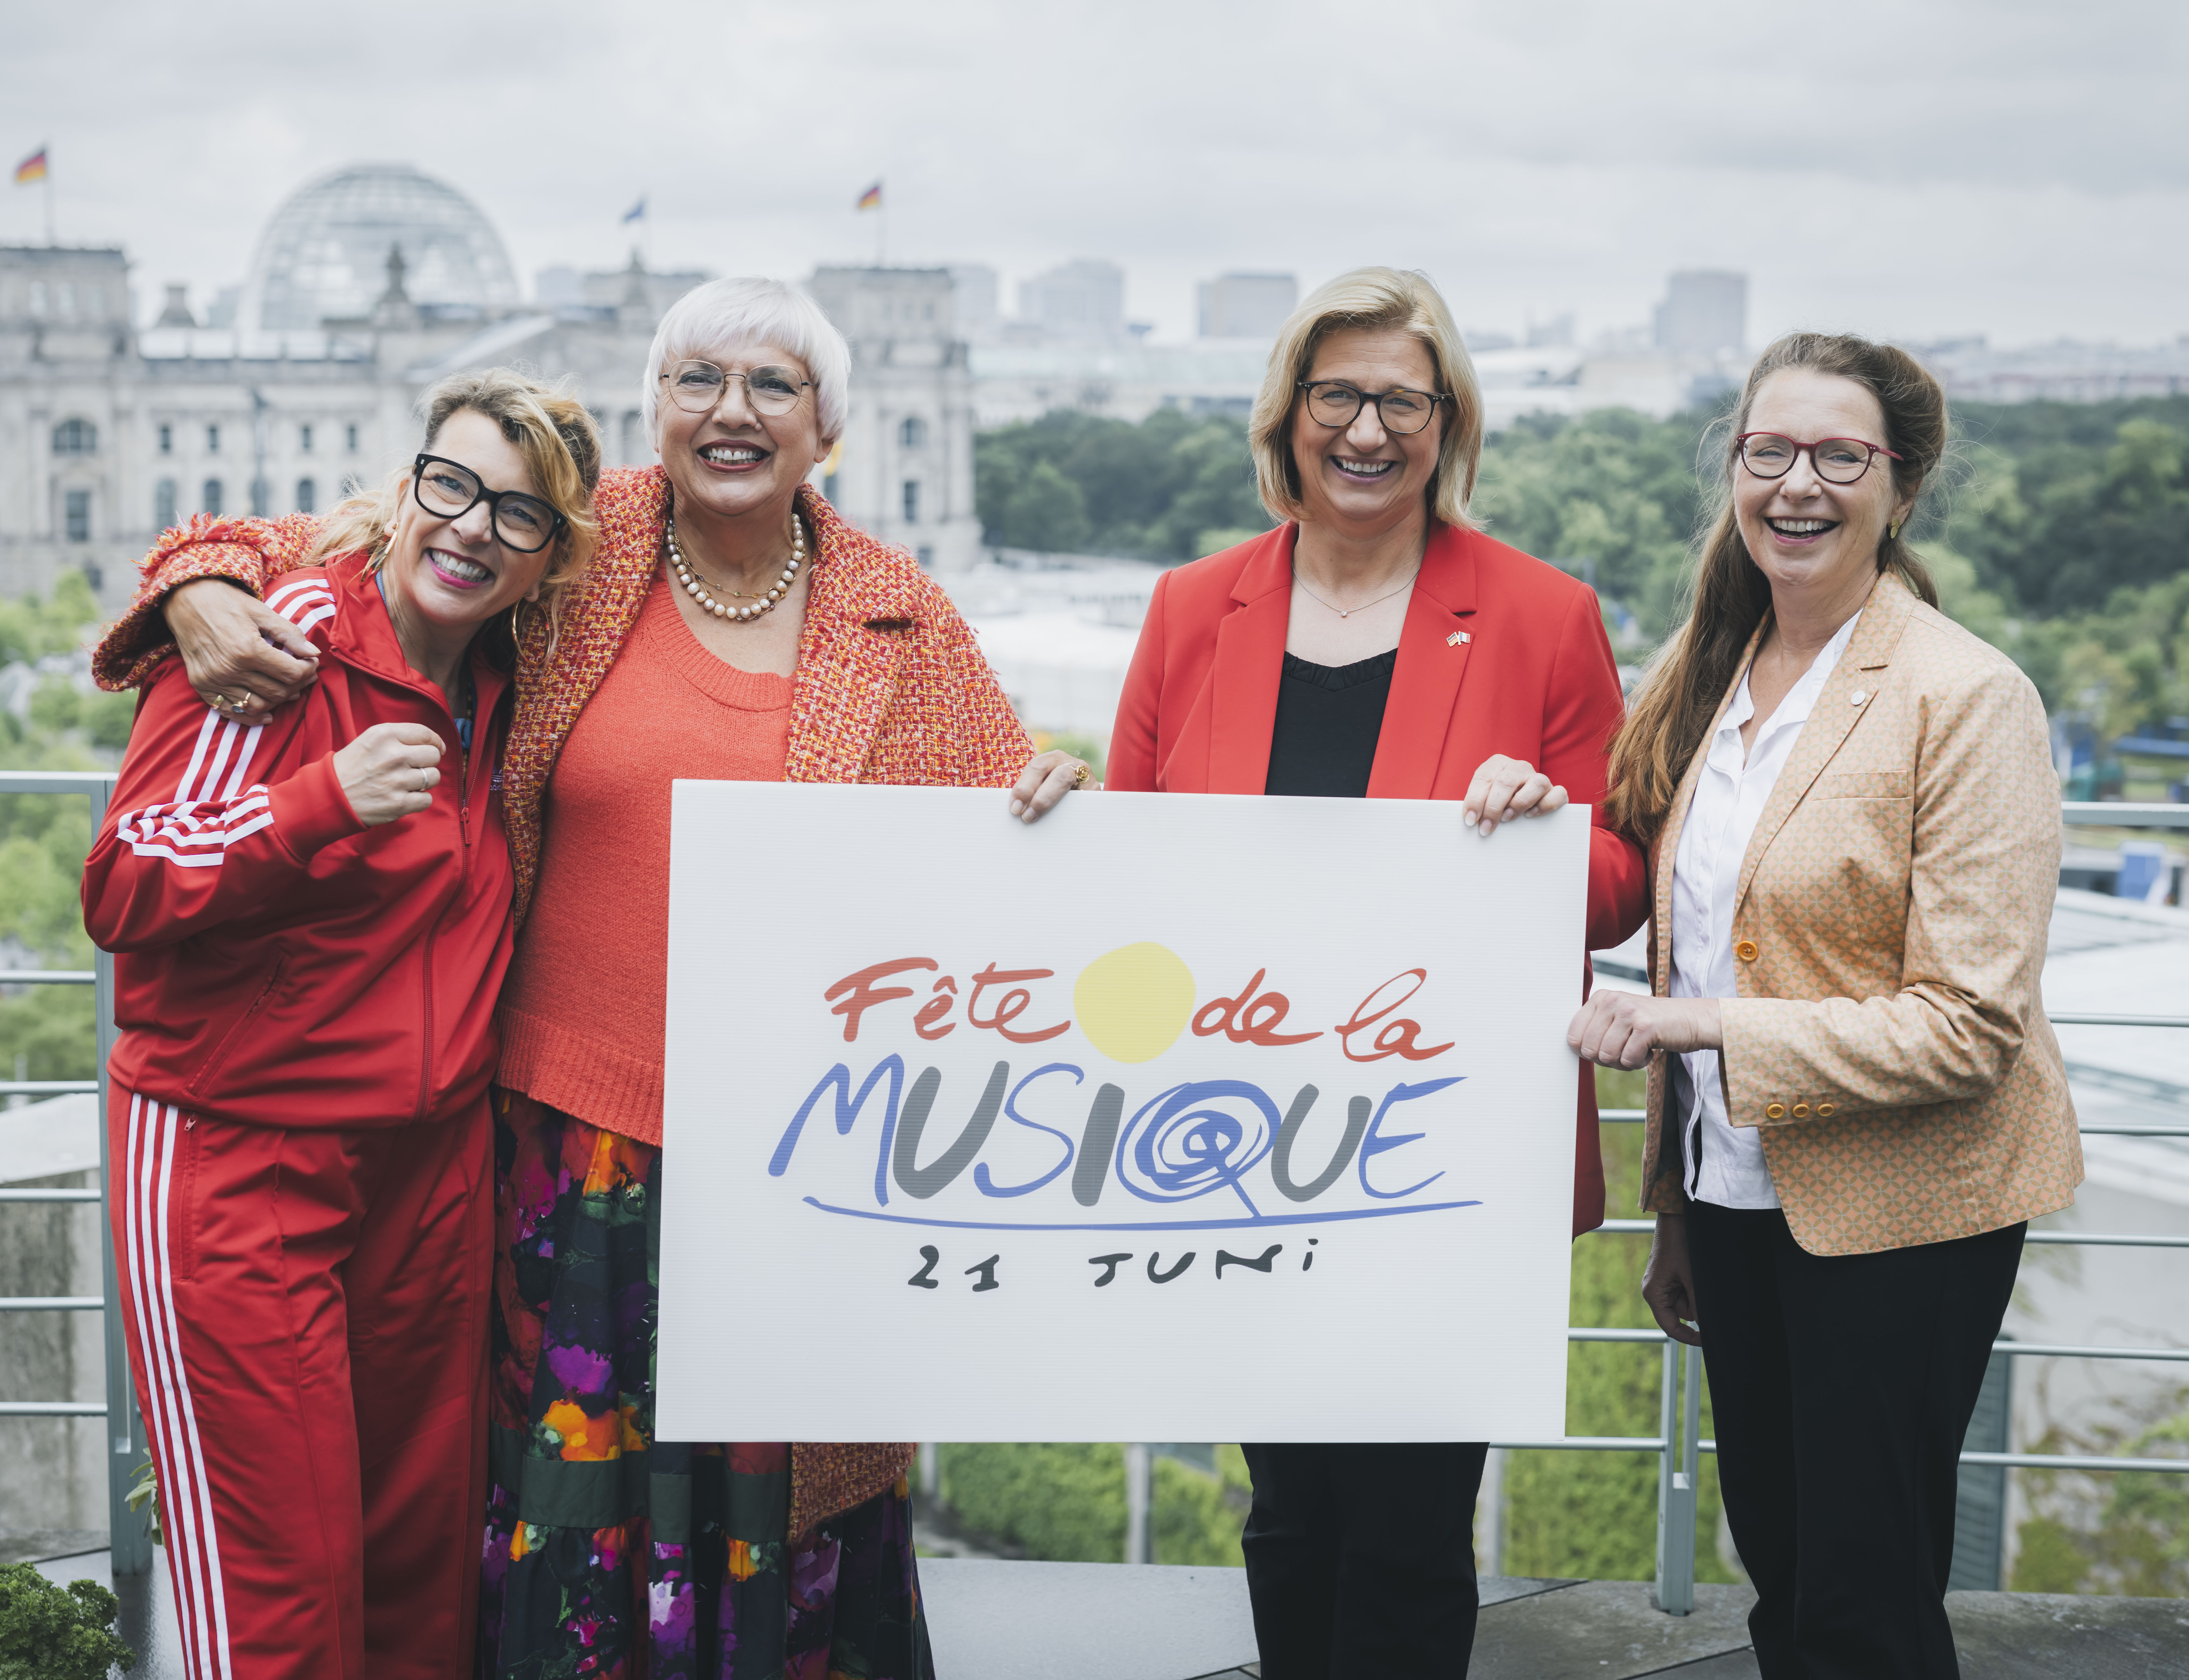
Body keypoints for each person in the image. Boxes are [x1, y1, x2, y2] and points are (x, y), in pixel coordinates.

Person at [91, 276, 1088, 1679]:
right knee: (536, 1515)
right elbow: (355, 533)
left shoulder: (900, 618)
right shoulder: (581, 539)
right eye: (697, 382)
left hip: (790, 1160)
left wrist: (1048, 794)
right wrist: (200, 582)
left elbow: (998, 818)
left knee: (767, 1499)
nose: (730, 413)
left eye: (773, 388)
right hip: (569, 1142)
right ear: (655, 412)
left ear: (829, 431)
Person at [1108, 266, 1649, 1679]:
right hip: (1233, 1135)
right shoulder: (1186, 610)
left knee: (1408, 1523)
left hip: (1441, 1150)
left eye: (1398, 400)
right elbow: (1124, 878)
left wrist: (1545, 839)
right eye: (1334, 395)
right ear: (1285, 416)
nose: (1363, 429)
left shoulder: (1542, 614)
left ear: (1446, 421)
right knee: (1285, 1511)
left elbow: (1618, 885)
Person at [1567, 332, 2081, 1680]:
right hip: (1735, 1203)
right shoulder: (1705, 676)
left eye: (1838, 456)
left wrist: (1702, 1033)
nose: (1797, 484)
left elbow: (1969, 1025)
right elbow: (1679, 927)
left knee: (1860, 1601)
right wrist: (1677, 1211)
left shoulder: (1963, 696)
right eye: (1767, 451)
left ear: (1896, 487)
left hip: (1902, 1217)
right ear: (1732, 468)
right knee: (1784, 1571)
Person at [83, 369, 601, 1680]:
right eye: (454, 487)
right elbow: (124, 882)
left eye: (519, 517)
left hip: (428, 1180)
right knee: (282, 1605)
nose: (475, 529)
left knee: (419, 1585)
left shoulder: (518, 679)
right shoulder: (281, 630)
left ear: (552, 557)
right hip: (235, 1162)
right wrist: (313, 805)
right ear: (408, 483)